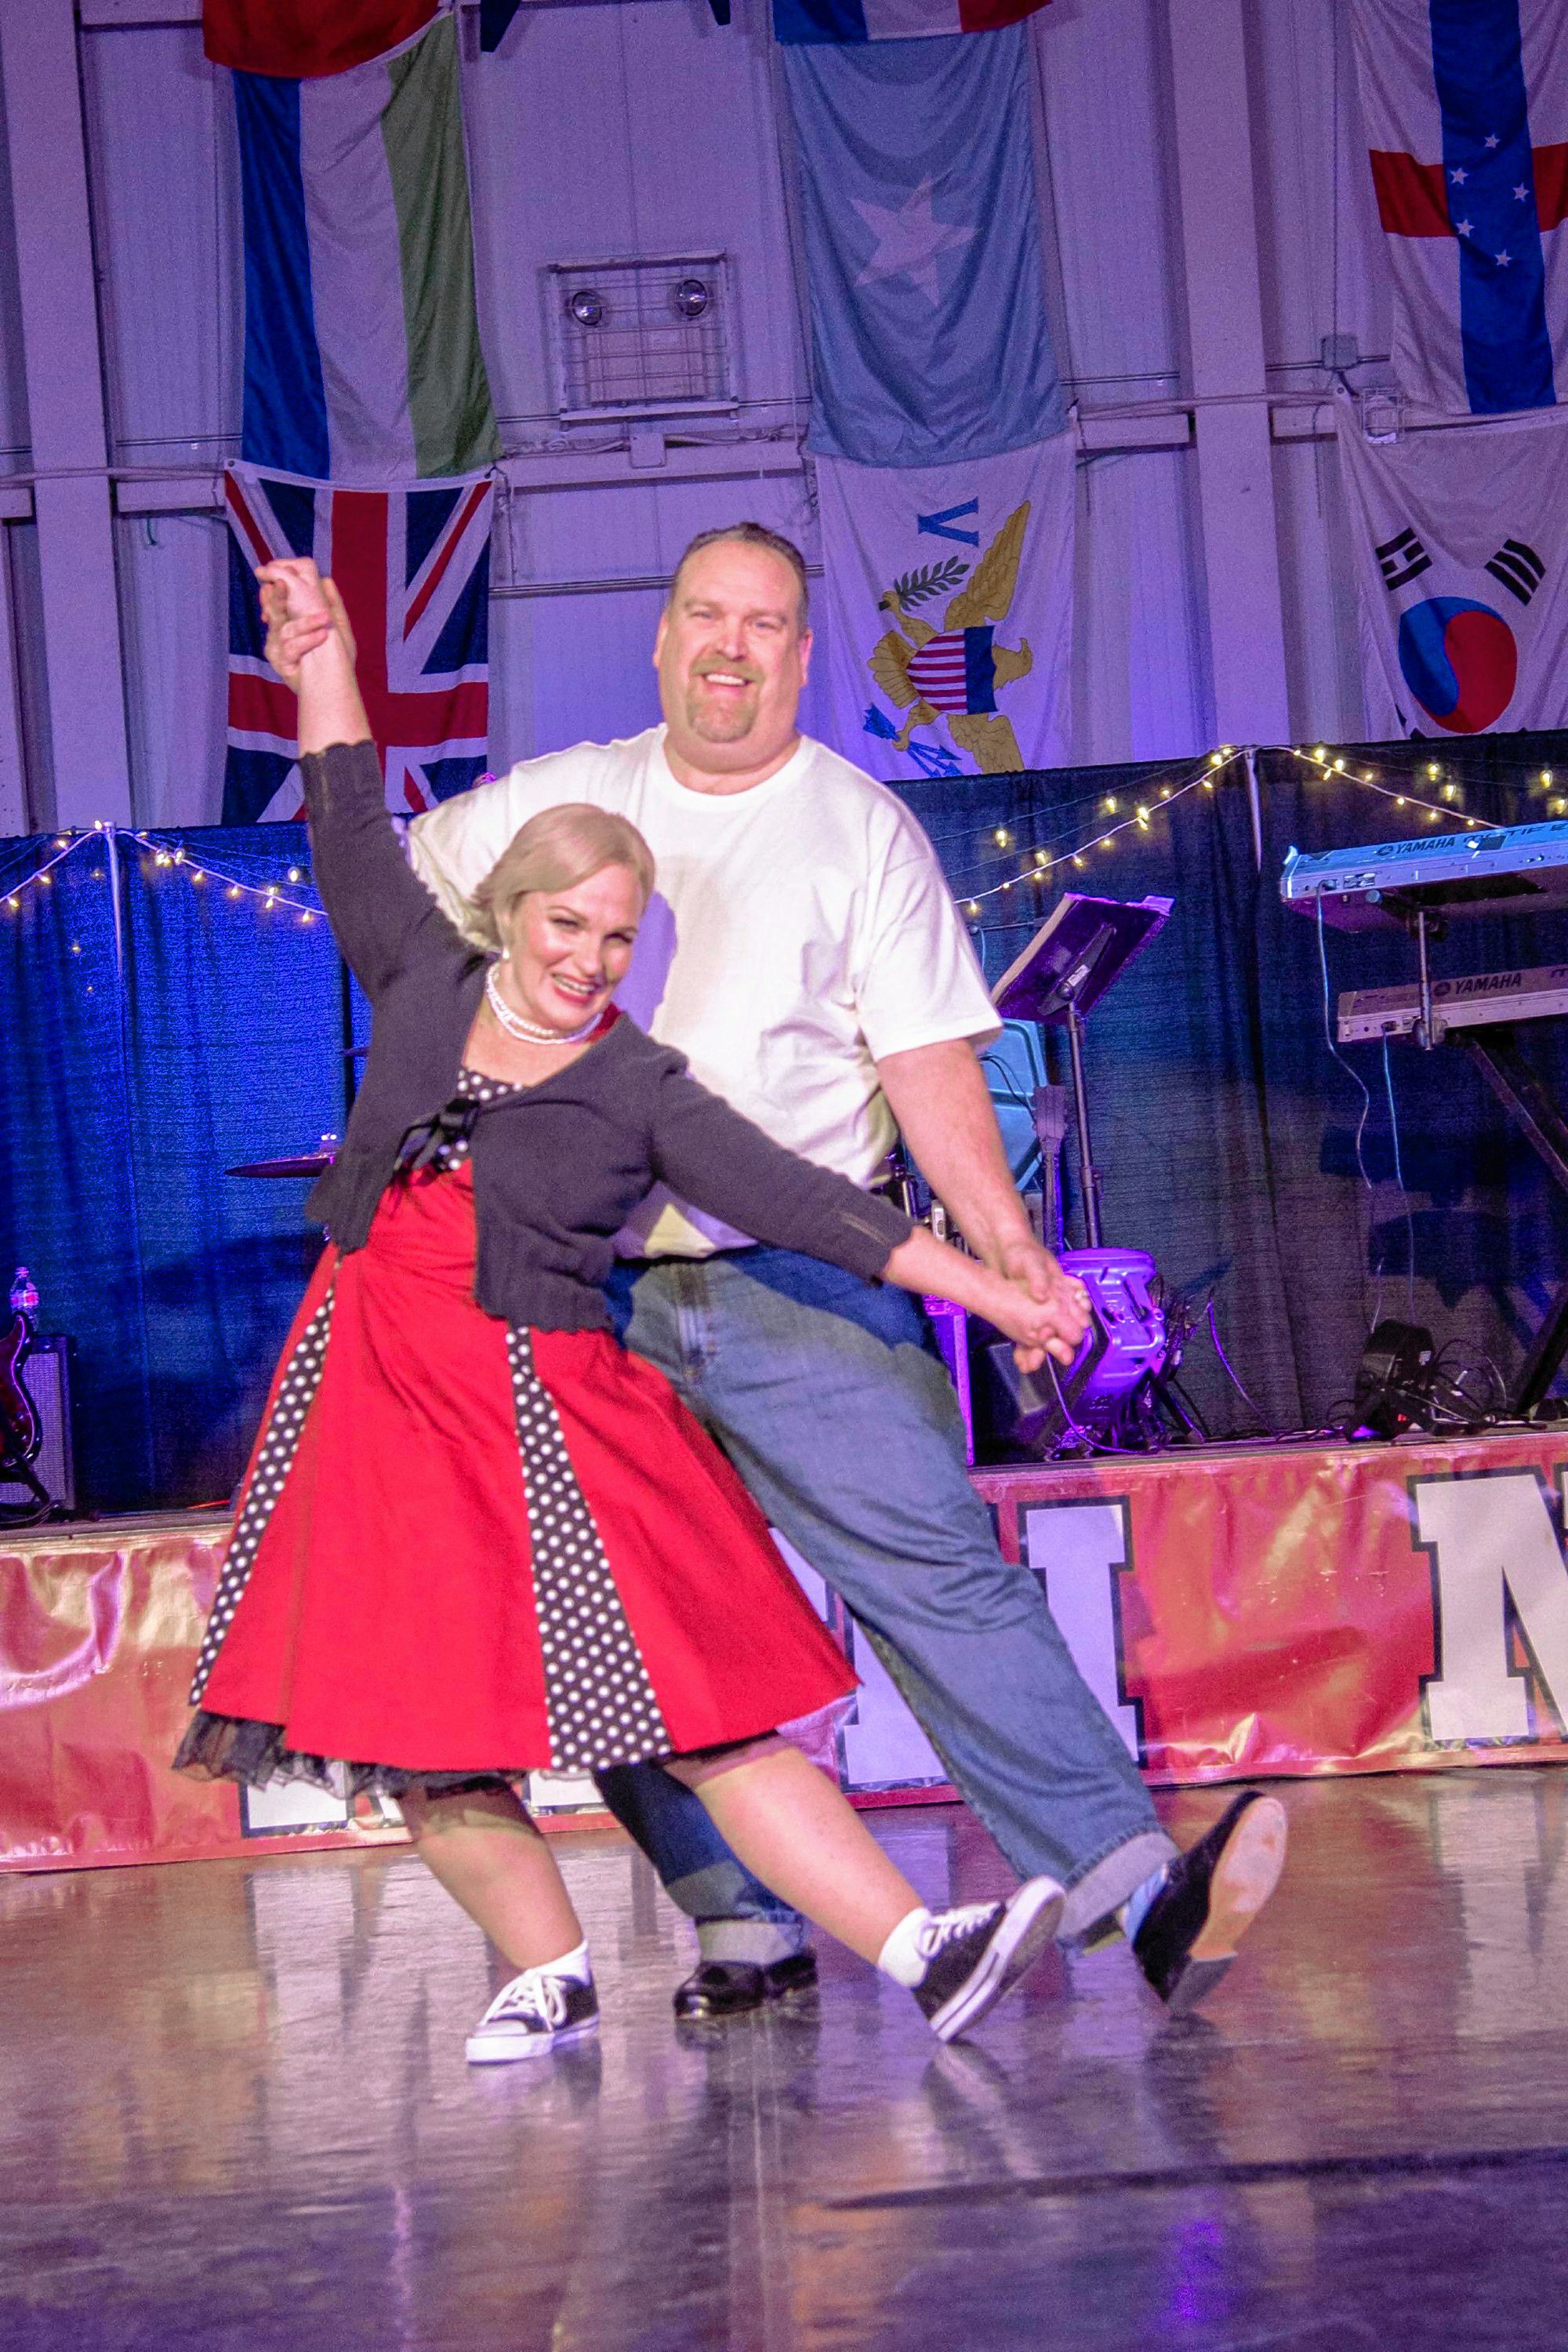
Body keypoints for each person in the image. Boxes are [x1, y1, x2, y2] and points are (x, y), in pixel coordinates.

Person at [175, 554, 1076, 2063]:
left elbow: (817, 1207)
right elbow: (344, 809)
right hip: (371, 1398)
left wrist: (990, 1287)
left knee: (700, 1703)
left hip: (540, 1410)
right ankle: (547, 1969)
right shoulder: (419, 978)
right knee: (408, 1733)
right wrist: (321, 651)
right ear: (510, 913)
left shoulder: (636, 1083)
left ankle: (928, 1953)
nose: (591, 961)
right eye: (568, 927)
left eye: (617, 938)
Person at [397, 521, 1289, 2025]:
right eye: (705, 616)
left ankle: (1136, 1899)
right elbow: (399, 900)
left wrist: (1005, 1251)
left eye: (764, 624)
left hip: (797, 1278)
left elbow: (930, 1069)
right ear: (667, 635)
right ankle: (740, 1923)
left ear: (802, 656)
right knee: (604, 1620)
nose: (730, 647)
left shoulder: (860, 827)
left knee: (936, 1569)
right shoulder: (565, 800)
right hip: (583, 1298)